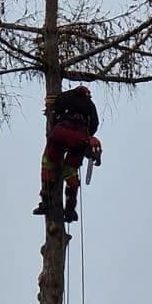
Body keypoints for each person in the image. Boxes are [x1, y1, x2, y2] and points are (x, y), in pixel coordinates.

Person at [34, 85, 102, 223]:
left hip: (61, 132)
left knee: (48, 163)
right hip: (81, 138)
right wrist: (87, 139)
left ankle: (46, 200)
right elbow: (94, 124)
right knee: (71, 172)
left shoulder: (64, 97)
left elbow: (53, 112)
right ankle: (70, 211)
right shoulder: (90, 105)